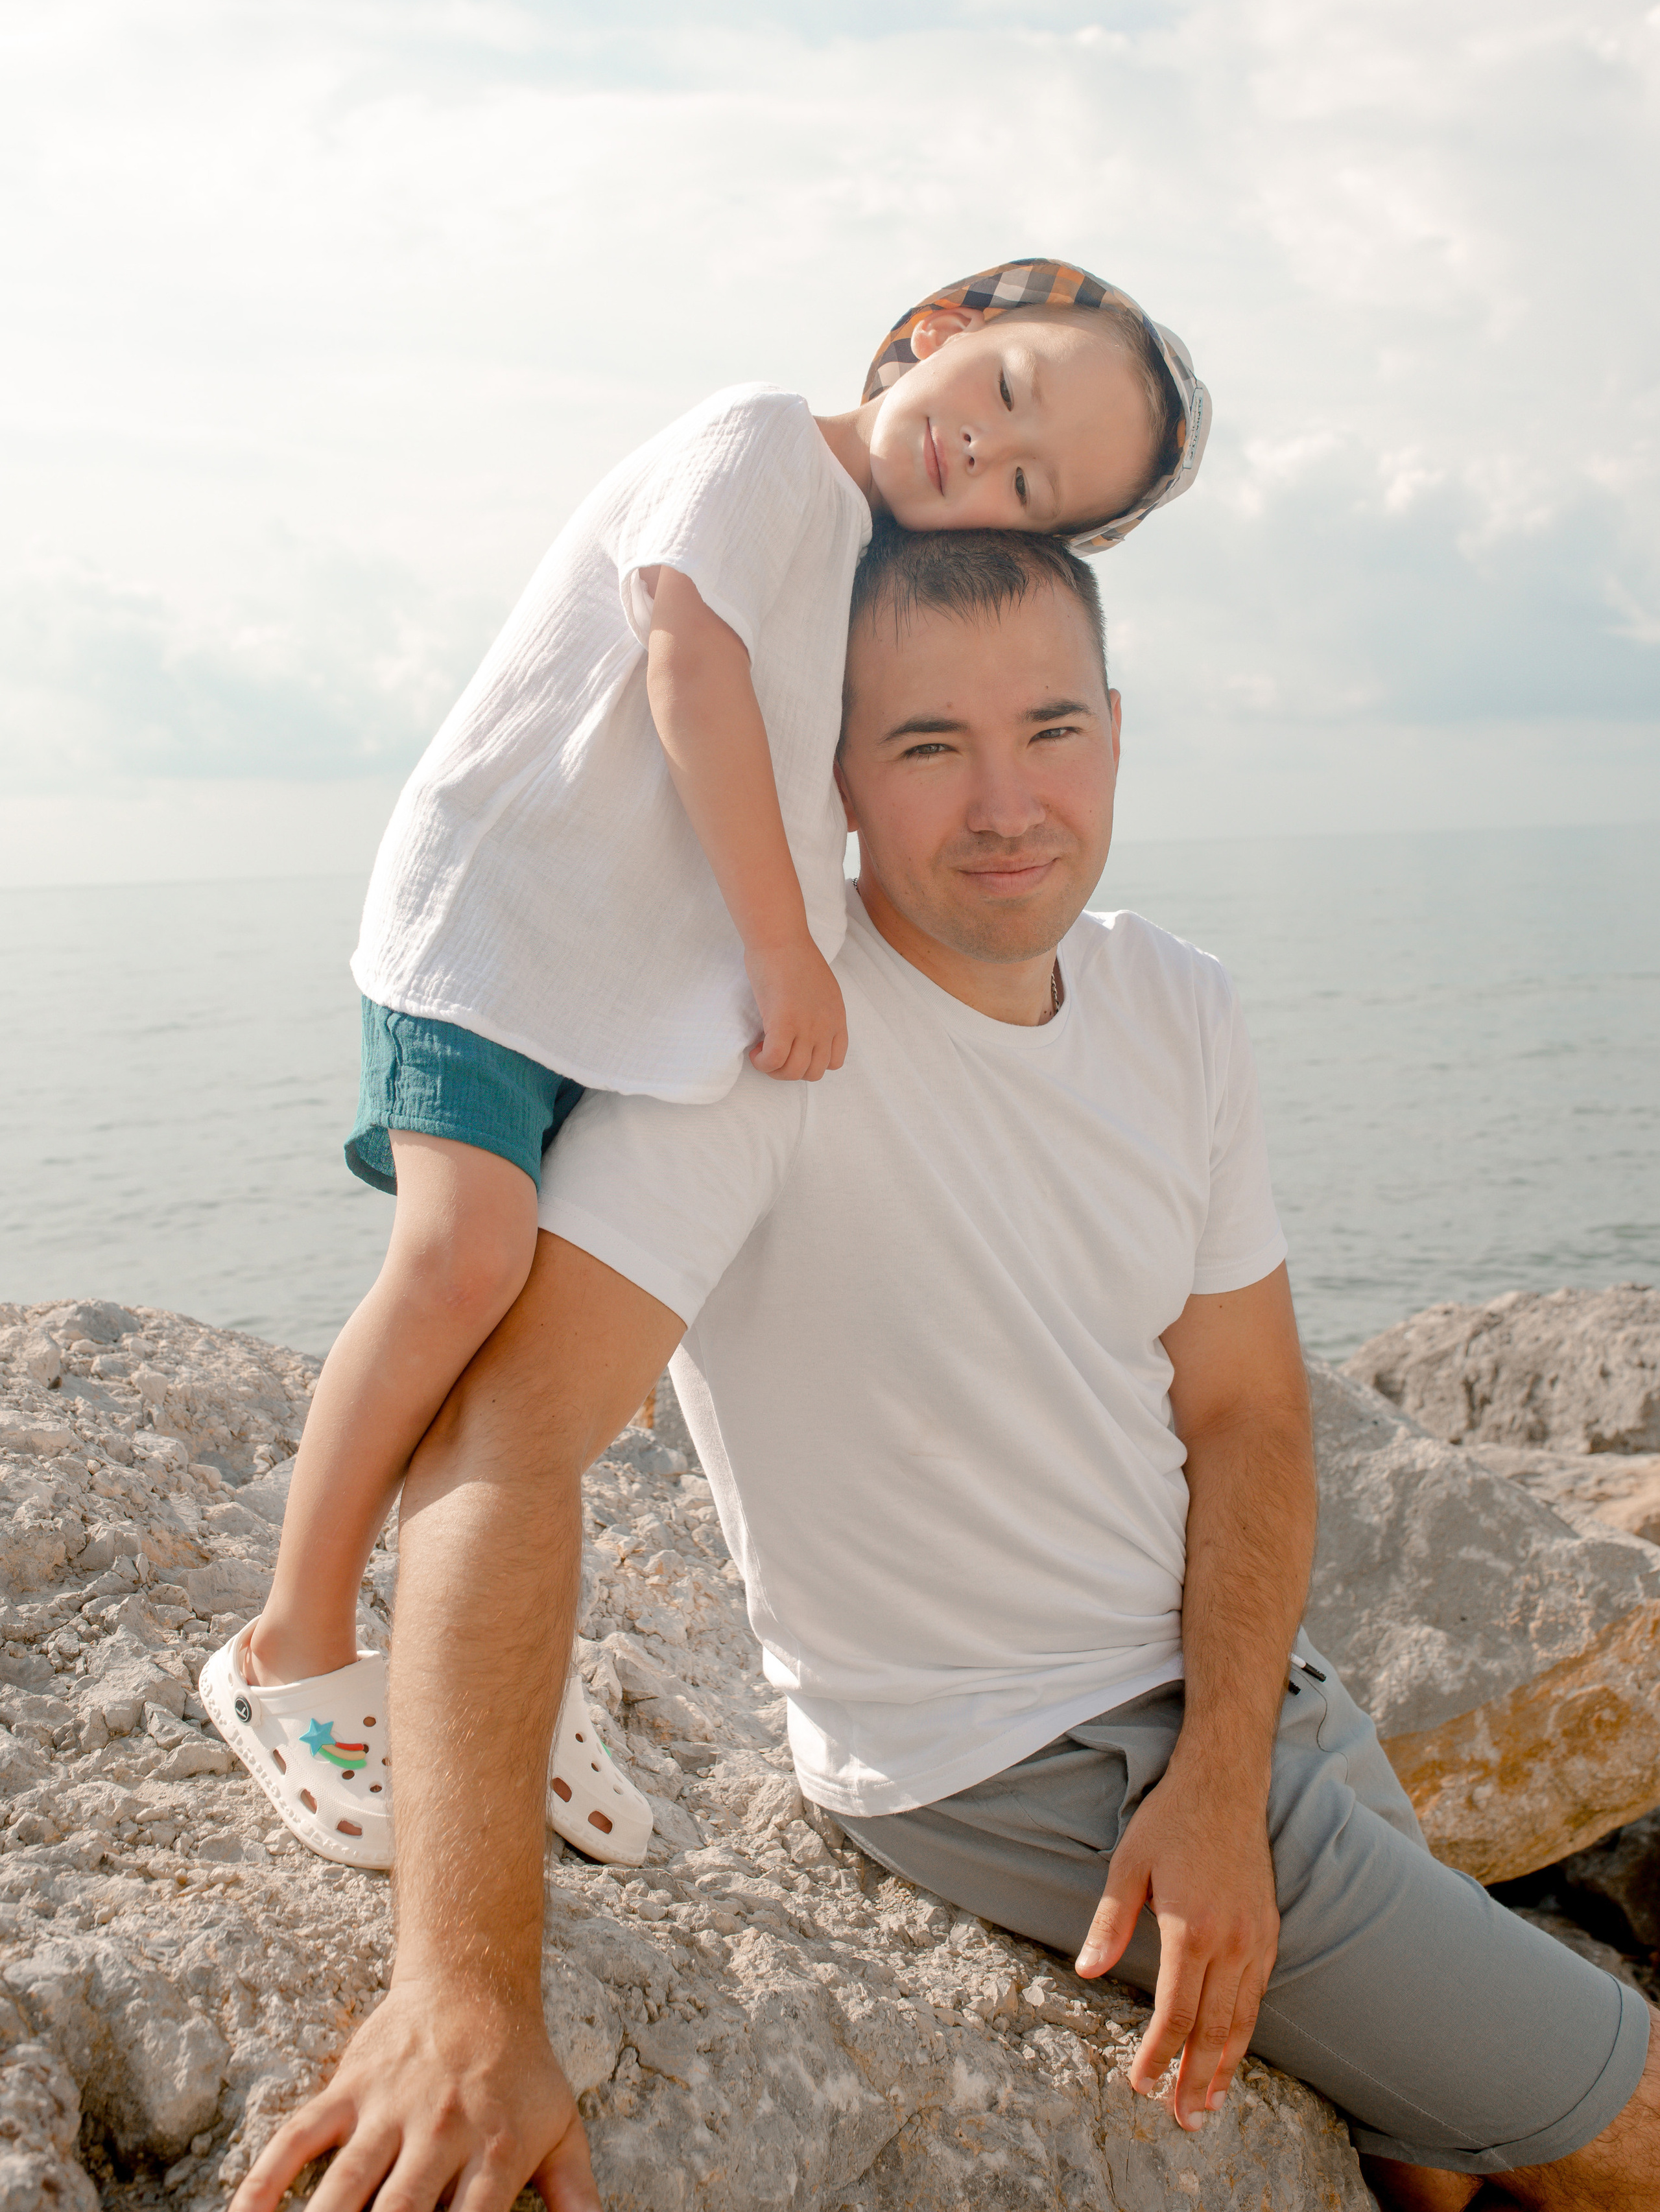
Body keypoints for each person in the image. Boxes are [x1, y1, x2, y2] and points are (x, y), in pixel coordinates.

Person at [233, 523, 1659, 2212]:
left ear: (1113, 732)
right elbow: (504, 1448)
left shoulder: (1174, 1002)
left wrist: (1225, 1774)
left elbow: (1244, 1408)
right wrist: (464, 1987)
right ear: (830, 773)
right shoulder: (757, 1051)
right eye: (926, 746)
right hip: (1019, 1767)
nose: (1005, 803)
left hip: (1260, 1713)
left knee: (1439, 2177)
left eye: (1050, 729)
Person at [200, 259, 1212, 1873]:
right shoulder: (759, 445)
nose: (985, 453)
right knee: (460, 1263)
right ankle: (288, 1644)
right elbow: (688, 665)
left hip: (625, 981)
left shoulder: (857, 566)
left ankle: (483, 1666)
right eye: (1007, 393)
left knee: (558, 1337)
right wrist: (783, 952)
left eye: (1030, 490)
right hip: (497, 931)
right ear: (941, 328)